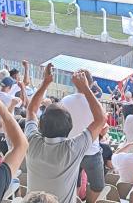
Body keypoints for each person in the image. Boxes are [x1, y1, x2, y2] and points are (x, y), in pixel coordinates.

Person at [26, 66, 106, 203]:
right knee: (97, 184)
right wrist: (86, 89)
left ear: (40, 125)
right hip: (91, 153)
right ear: (69, 129)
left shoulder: (31, 141)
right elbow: (101, 119)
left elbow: (31, 110)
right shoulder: (72, 149)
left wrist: (46, 82)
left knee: (75, 182)